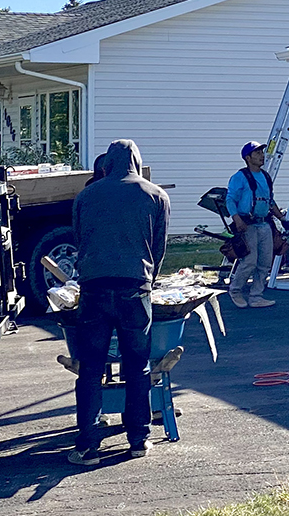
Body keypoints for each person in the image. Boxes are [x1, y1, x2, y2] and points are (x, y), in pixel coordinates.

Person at [69, 139, 169, 465]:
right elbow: (159, 248)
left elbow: (79, 240)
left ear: (107, 163)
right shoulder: (156, 195)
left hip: (94, 288)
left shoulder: (85, 195)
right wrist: (147, 281)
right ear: (136, 162)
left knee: (90, 369)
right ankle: (139, 439)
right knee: (137, 365)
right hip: (134, 288)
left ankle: (87, 446)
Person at [226, 141, 284, 309]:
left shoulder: (265, 177)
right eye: (257, 153)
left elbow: (270, 201)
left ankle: (256, 296)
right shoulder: (239, 177)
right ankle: (236, 291)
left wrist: (282, 218)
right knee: (249, 261)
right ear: (247, 158)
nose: (261, 156)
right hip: (247, 224)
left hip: (264, 224)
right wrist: (237, 219)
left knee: (265, 261)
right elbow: (230, 199)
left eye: (261, 152)